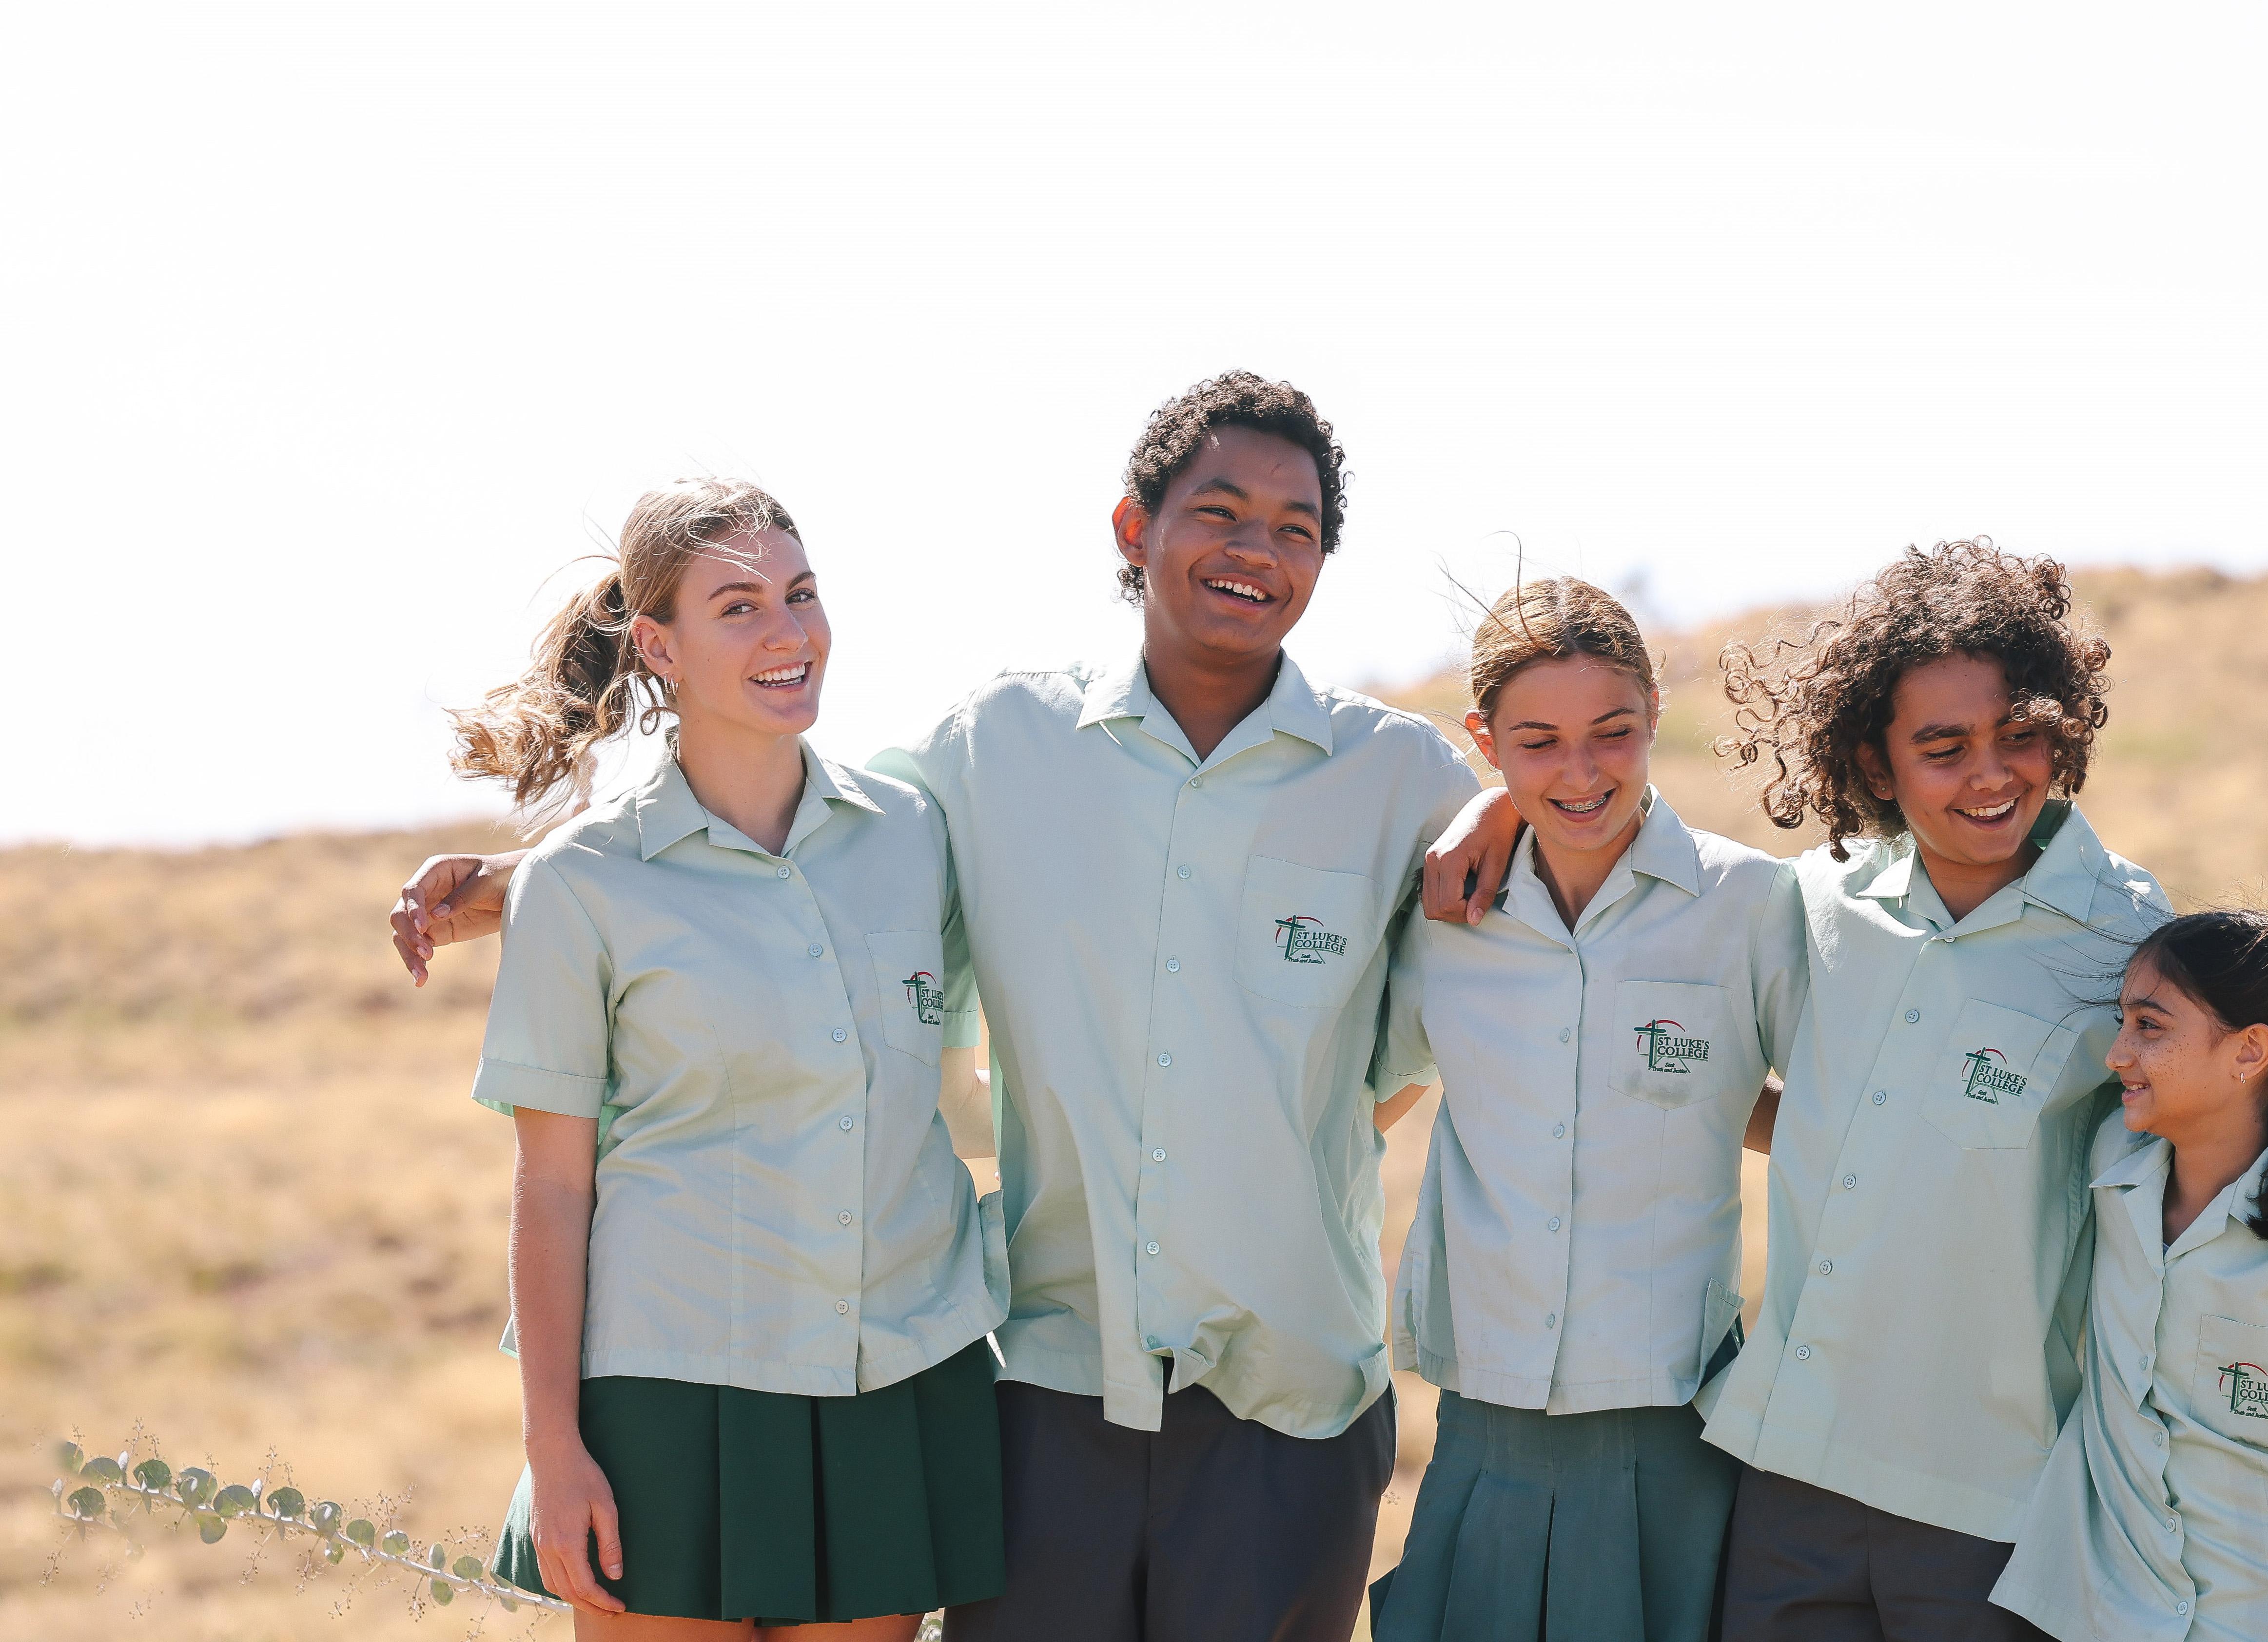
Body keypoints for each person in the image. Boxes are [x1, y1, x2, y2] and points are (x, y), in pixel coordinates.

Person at [391, 375, 1483, 1642]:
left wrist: (1508, 813)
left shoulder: (1402, 777)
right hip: (1034, 1390)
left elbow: (1506, 960)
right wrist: (517, 885)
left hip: (1273, 1399)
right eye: (1221, 511)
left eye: (1297, 527)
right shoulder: (998, 744)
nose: (1258, 549)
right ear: (1134, 529)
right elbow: (753, 843)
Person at [1423, 540, 2268, 1642]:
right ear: (1875, 763)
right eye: (1943, 747)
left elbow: (2224, 1089)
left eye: (2019, 735)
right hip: (1785, 1474)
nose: (1991, 774)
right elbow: (1674, 966)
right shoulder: (1814, 901)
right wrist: (1498, 810)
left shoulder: (2126, 934)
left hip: (1993, 1500)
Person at [458, 479, 1004, 1639]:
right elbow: (551, 1187)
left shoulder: (917, 835)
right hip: (669, 1390)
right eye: (740, 606)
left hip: (891, 1375)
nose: (788, 632)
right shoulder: (582, 884)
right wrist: (554, 1446)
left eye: (801, 594)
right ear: (659, 646)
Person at [1367, 579, 1806, 1642]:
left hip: (1673, 1419)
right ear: (1486, 741)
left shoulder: (1751, 904)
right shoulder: (1442, 914)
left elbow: (1823, 1116)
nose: (1581, 771)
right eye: (1537, 742)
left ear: (1655, 709)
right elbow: (1367, 1099)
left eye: (1613, 731)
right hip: (1482, 1423)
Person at [1993, 910, 2268, 1642]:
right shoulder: (2110, 1160)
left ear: (2250, 1049)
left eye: (2150, 1027)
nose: (2118, 1053)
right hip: (2098, 1618)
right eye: (2122, 1022)